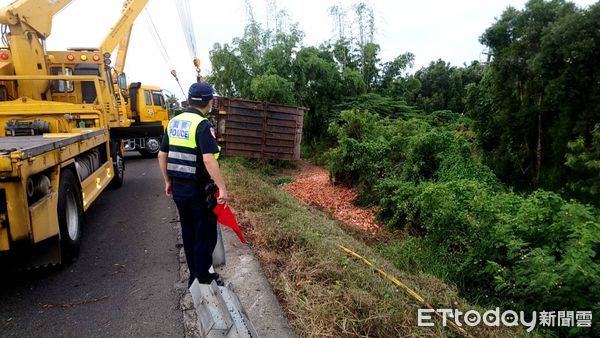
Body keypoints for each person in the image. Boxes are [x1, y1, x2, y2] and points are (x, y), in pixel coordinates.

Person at [158, 82, 229, 287]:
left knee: (188, 232)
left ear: (189, 100)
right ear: (209, 102)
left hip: (179, 189)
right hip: (198, 190)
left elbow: (162, 154)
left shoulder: (173, 122)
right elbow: (208, 159)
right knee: (204, 234)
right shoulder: (203, 125)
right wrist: (222, 187)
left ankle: (193, 278)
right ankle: (204, 277)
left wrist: (167, 181)